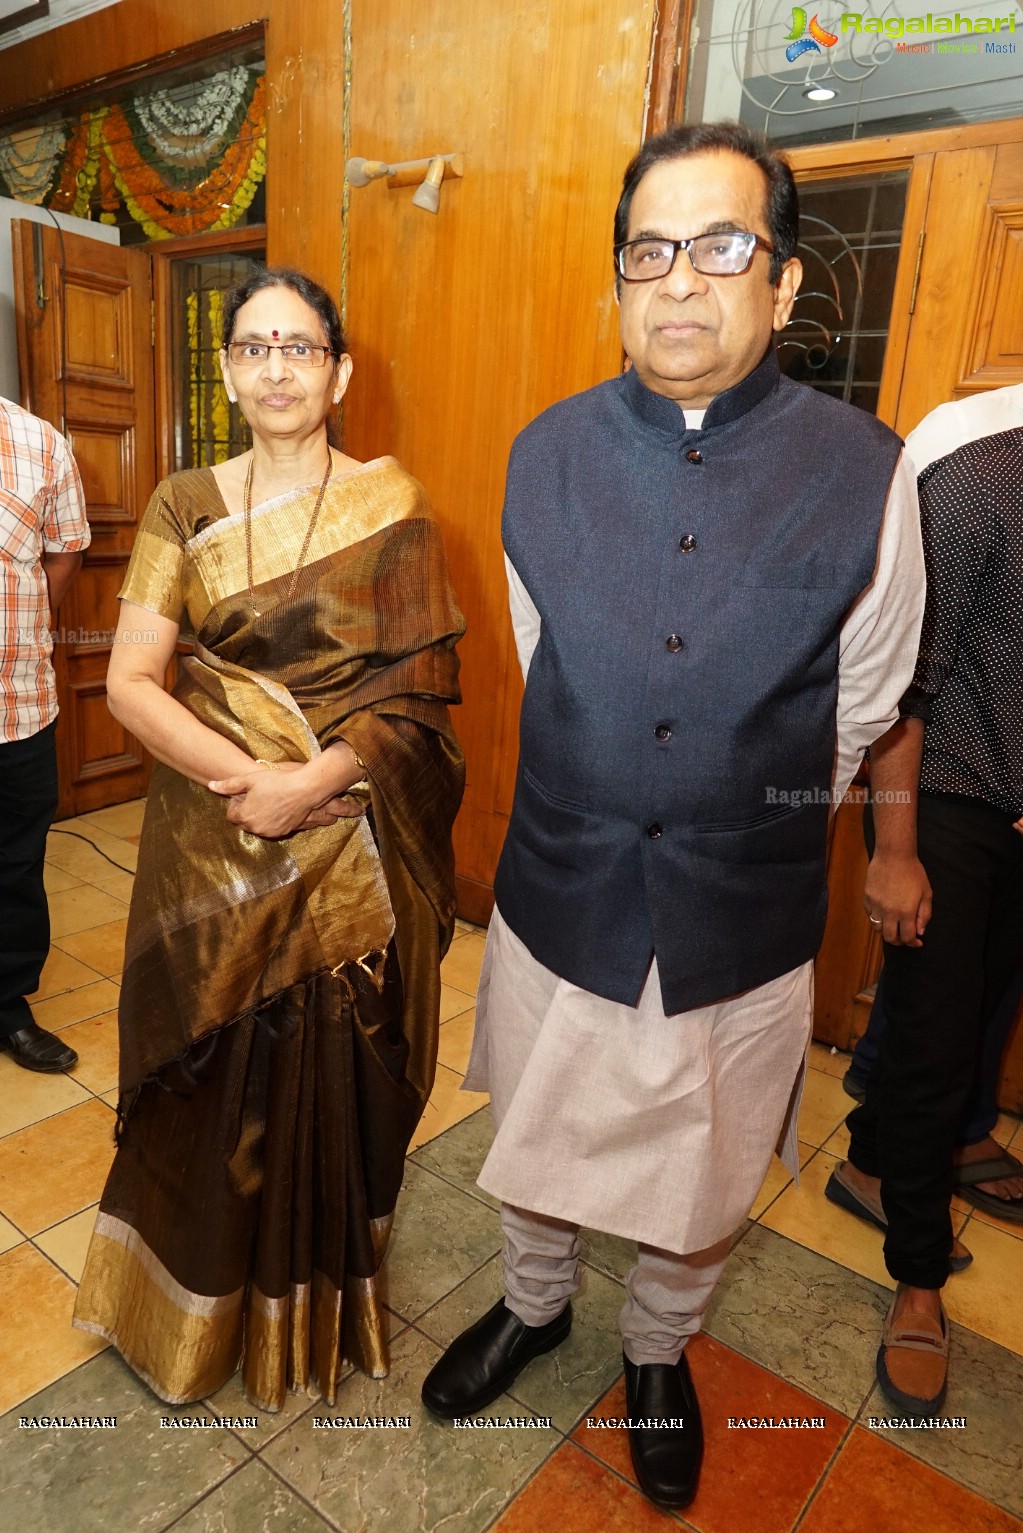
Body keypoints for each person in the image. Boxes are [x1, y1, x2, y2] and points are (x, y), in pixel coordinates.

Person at [420, 121, 925, 1510]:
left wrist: (730, 811)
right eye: (649, 250)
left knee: (700, 1171)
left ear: (779, 278)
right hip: (560, 882)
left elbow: (867, 687)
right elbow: (544, 653)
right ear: (617, 281)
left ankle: (655, 1352)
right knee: (532, 1121)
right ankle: (529, 1307)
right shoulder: (544, 453)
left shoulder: (865, 468)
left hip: (738, 907)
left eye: (720, 246)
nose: (680, 281)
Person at [73, 268, 465, 1411]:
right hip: (215, 838)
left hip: (348, 842)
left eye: (301, 347)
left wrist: (318, 784)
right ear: (230, 372)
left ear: (339, 372)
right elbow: (132, 681)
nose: (278, 368)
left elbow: (421, 693)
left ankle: (309, 1313)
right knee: (203, 1075)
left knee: (330, 1072)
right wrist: (253, 781)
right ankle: (191, 1320)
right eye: (254, 348)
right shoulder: (184, 503)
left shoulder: (396, 507)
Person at [829, 424, 1023, 1416]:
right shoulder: (980, 483)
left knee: (981, 1018)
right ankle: (917, 1281)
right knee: (934, 1045)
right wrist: (895, 851)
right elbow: (893, 683)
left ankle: (875, 1163)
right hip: (946, 802)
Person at [1, 397, 88, 1074]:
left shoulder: (39, 442)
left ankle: (7, 1004)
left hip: (18, 707)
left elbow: (63, 556)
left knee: (16, 864)